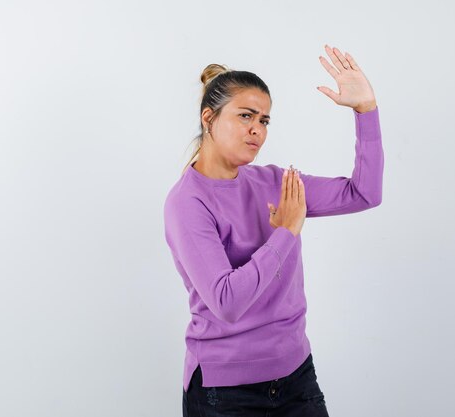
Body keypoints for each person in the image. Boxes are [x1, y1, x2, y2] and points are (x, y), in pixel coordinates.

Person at [163, 44, 383, 417]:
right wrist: (285, 233)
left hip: (296, 378)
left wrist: (366, 111)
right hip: (225, 394)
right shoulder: (187, 202)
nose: (257, 130)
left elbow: (363, 194)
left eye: (264, 120)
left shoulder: (275, 182)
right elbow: (227, 302)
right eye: (245, 115)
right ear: (208, 118)